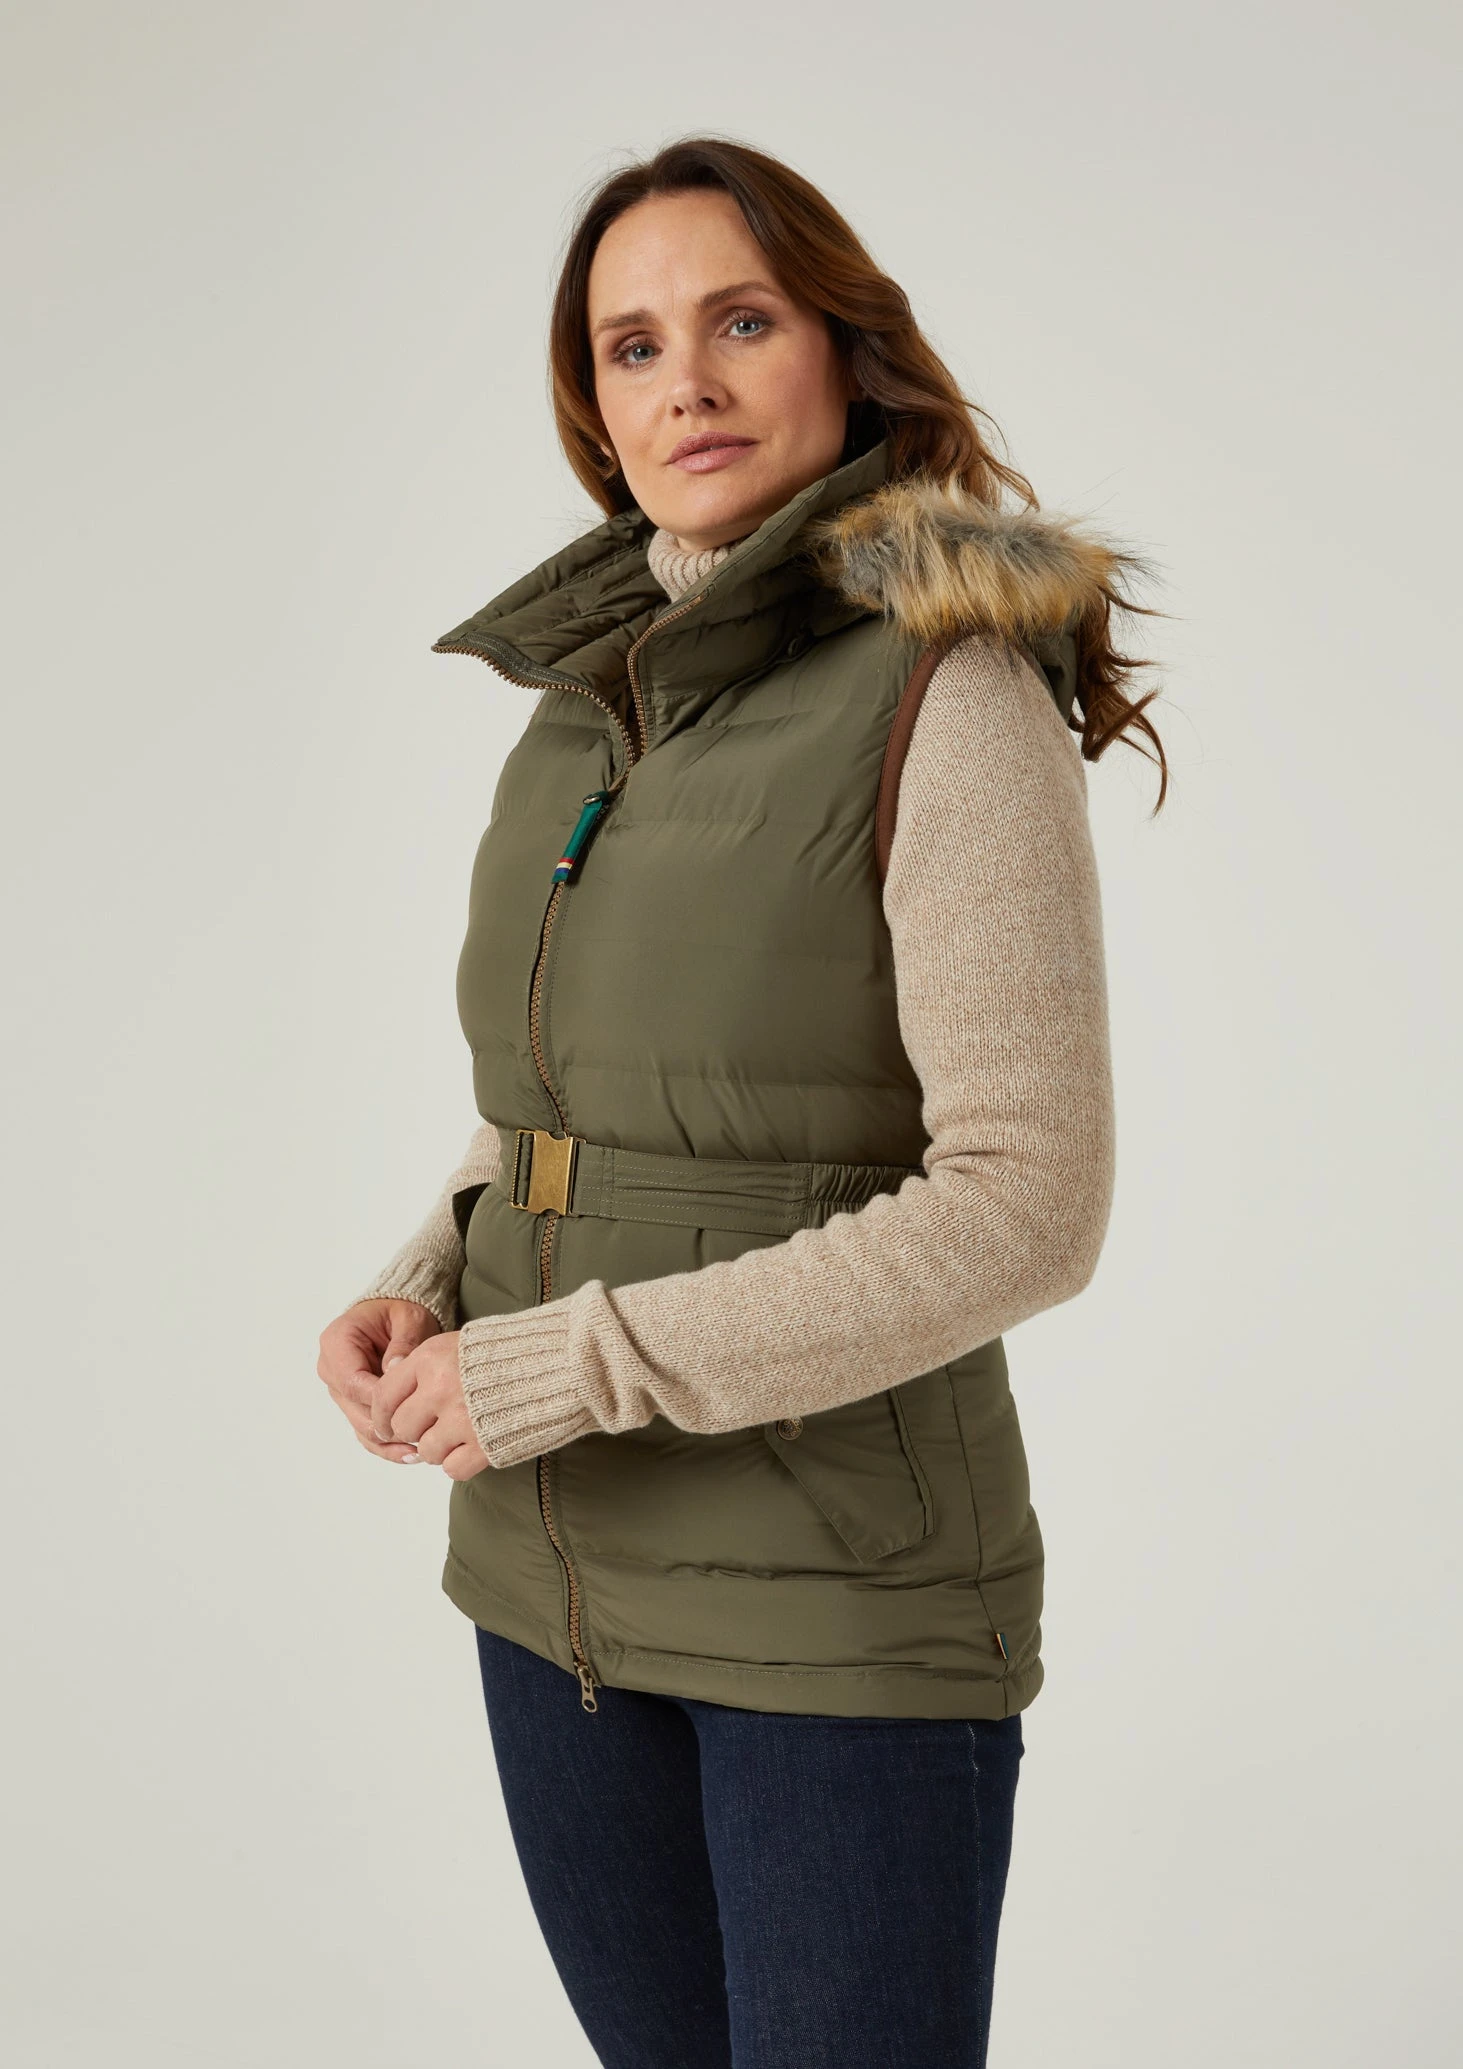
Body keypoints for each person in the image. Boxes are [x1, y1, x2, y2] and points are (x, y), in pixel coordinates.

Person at [316, 136, 1164, 2069]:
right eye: (630, 346)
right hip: (548, 1584)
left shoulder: (944, 687)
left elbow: (1028, 1204)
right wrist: (425, 1279)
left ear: (846, 354)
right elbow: (553, 1110)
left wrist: (568, 1365)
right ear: (592, 408)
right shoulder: (582, 704)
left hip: (837, 1618)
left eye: (740, 322)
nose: (682, 382)